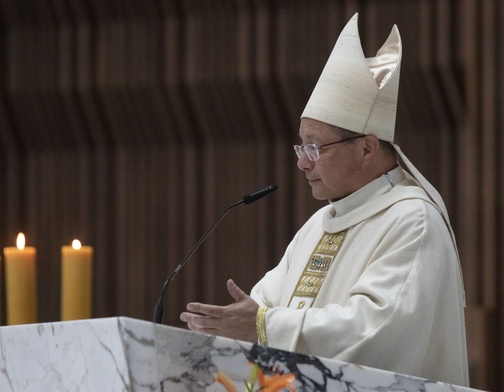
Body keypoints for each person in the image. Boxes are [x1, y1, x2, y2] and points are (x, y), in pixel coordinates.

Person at [180, 12, 469, 387]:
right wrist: (226, 330)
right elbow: (256, 312)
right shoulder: (318, 225)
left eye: (316, 147)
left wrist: (264, 327)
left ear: (367, 148)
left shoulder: (414, 222)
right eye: (301, 145)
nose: (301, 162)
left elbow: (375, 332)